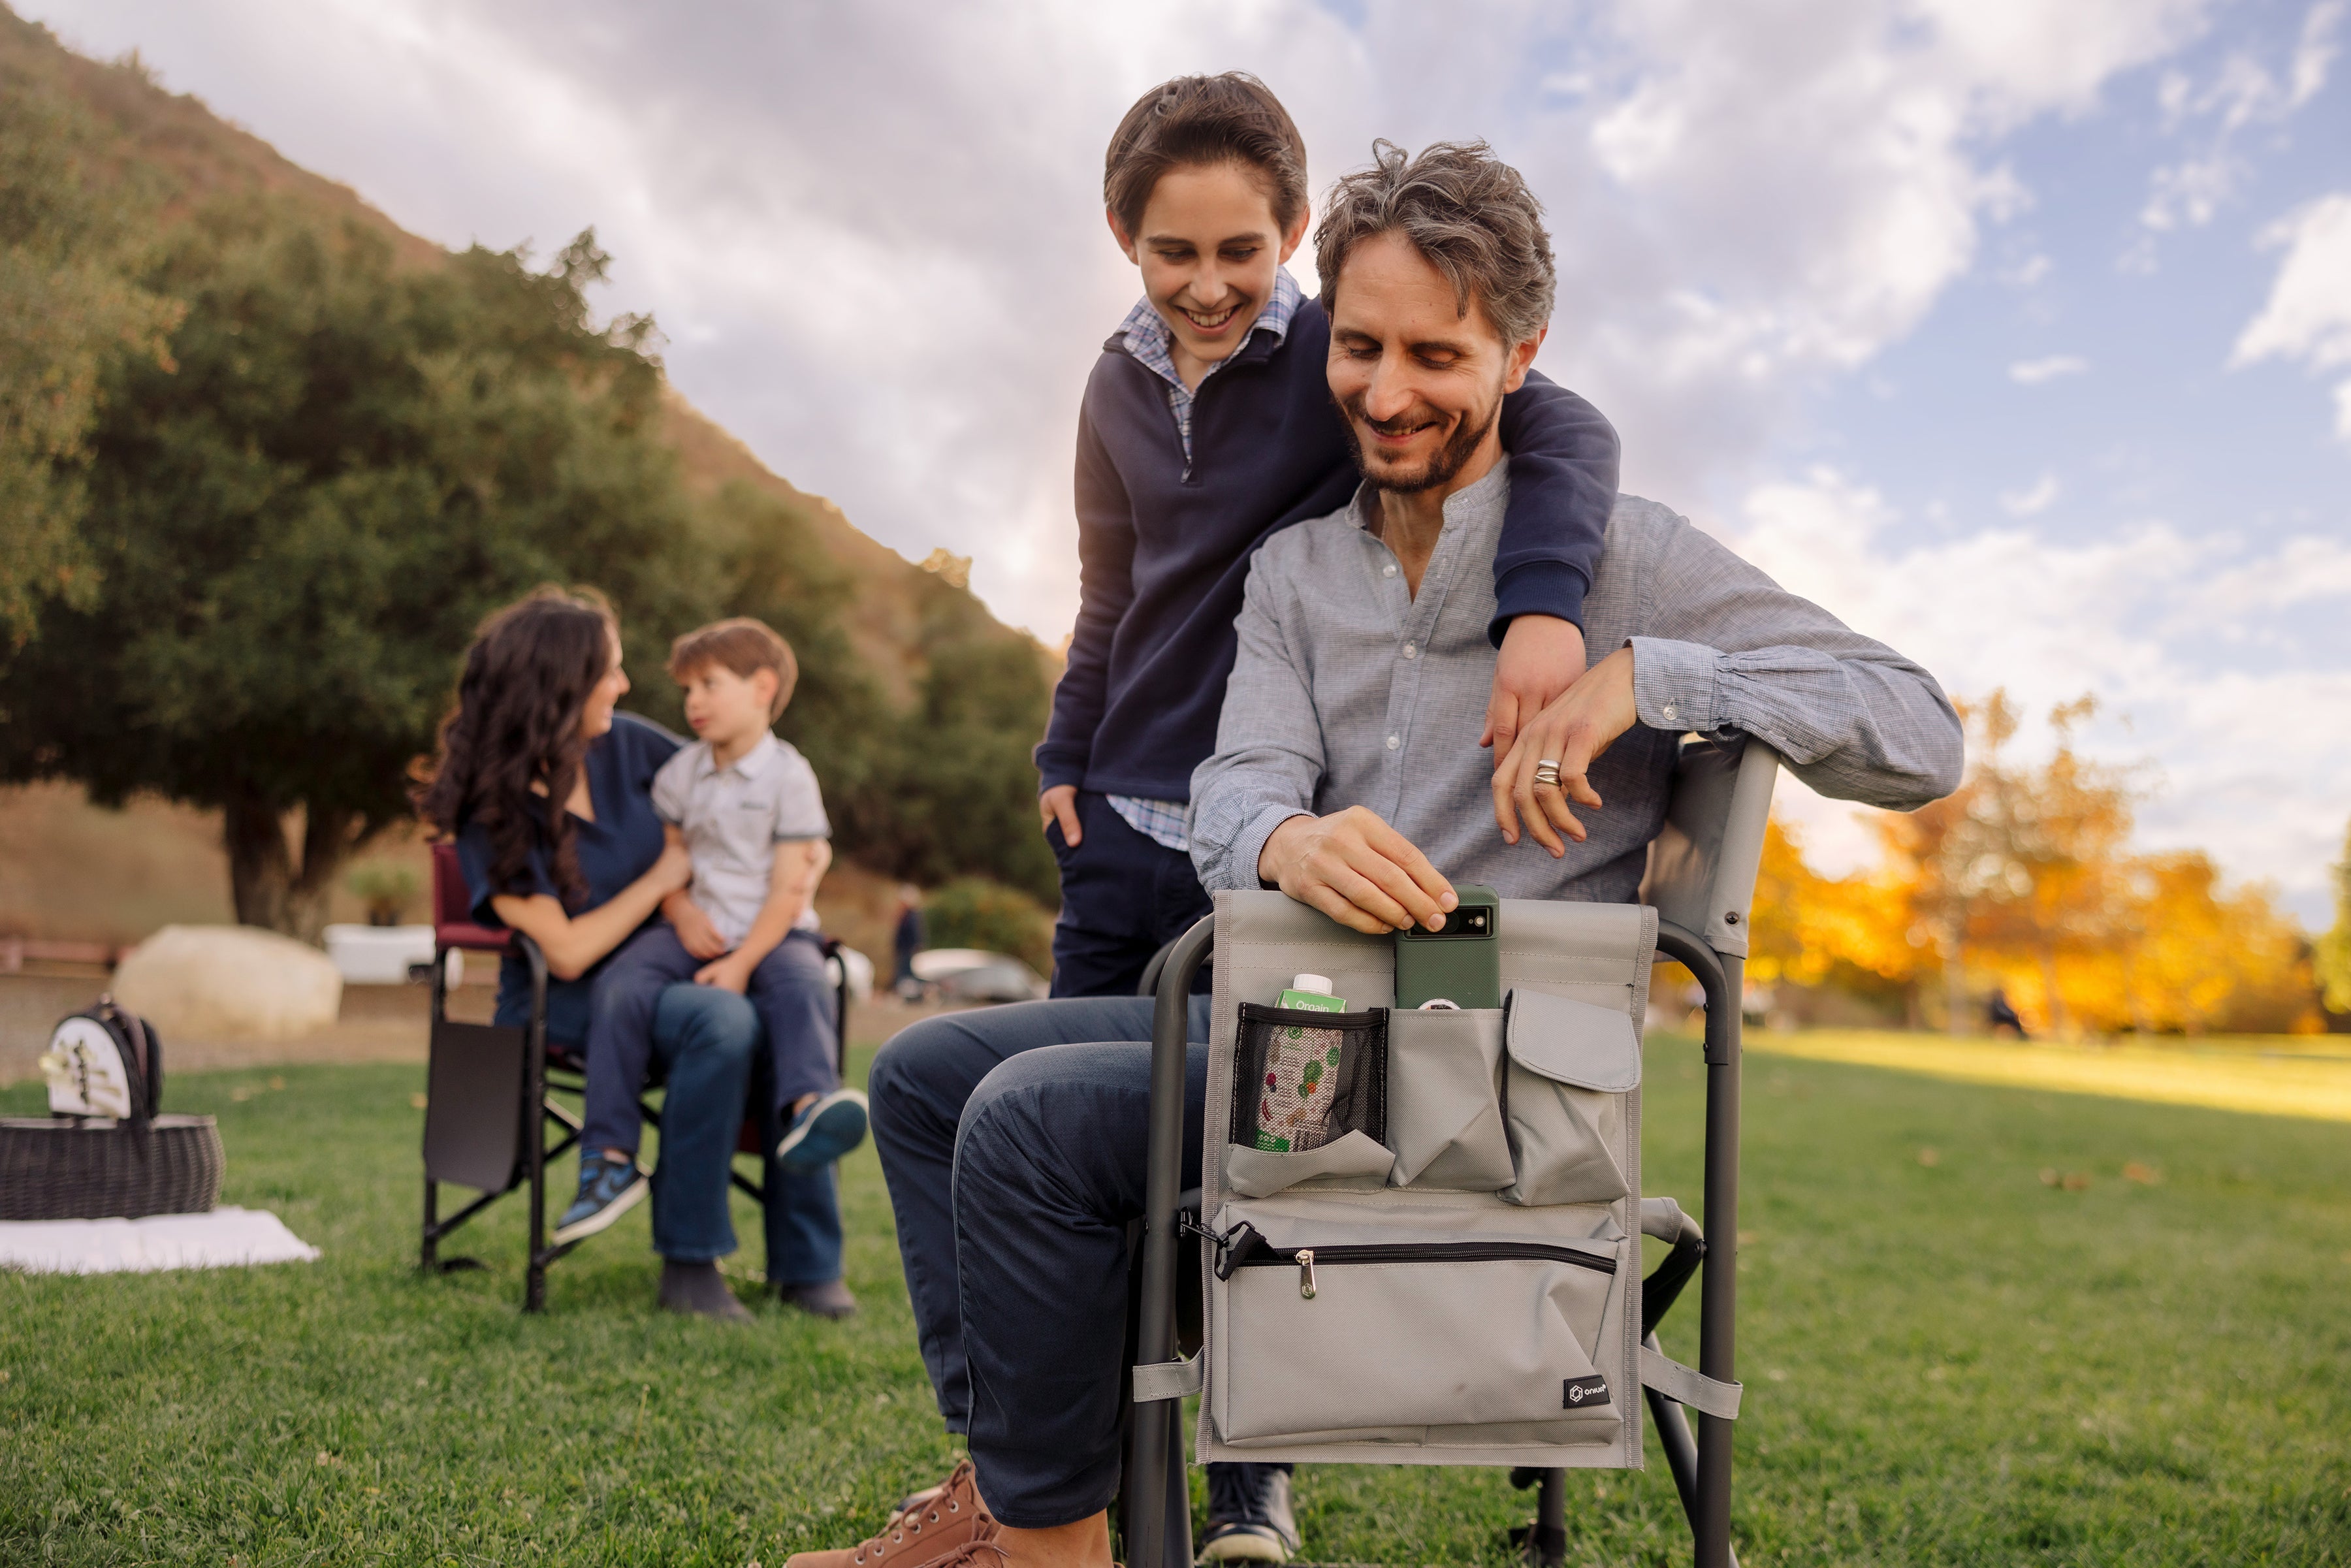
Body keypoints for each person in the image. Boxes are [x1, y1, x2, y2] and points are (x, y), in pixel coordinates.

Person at [814, 140, 1964, 1568]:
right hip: (1305, 1039)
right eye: (1358, 347)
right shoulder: (1297, 573)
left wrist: (1654, 680)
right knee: (925, 1074)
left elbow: (1922, 731)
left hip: (1485, 1091)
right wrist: (1287, 837)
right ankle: (1015, 1492)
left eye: (1438, 353)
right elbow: (1232, 783)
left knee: (1033, 1125)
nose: (1389, 391)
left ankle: (1047, 1552)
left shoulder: (1629, 562)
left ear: (1522, 352)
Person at [1031, 72, 1621, 1005]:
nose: (1210, 285)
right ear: (1123, 236)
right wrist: (1065, 760)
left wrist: (1543, 604)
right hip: (1115, 812)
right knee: (1053, 1112)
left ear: (1295, 231)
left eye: (1242, 250)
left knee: (1205, 1126)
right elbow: (1107, 589)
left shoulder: (1341, 357)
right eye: (1174, 253)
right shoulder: (1112, 388)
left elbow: (1568, 430)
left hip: (1262, 830)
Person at [414, 588, 845, 1324]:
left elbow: (757, 793)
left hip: (679, 967)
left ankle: (809, 1265)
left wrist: (802, 862)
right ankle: (689, 1261)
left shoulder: (633, 746)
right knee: (724, 1021)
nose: (624, 685)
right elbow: (569, 950)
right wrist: (665, 884)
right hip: (572, 1001)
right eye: (610, 671)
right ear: (562, 684)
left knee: (789, 995)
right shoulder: (494, 812)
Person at [555, 616, 867, 1321]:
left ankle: (810, 1110)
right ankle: (606, 1156)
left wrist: (743, 963)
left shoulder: (790, 774)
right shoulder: (681, 769)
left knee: (802, 985)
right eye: (689, 687)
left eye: (710, 684)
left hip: (773, 934)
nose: (694, 700)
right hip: (697, 929)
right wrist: (679, 910)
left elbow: (791, 889)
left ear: (763, 689)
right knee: (624, 983)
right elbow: (669, 857)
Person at [893, 885, 927, 998]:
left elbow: (915, 934)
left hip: (908, 950)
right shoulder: (908, 915)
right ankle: (909, 995)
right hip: (905, 950)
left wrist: (915, 948)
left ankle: (911, 996)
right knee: (906, 974)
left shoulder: (912, 916)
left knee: (907, 975)